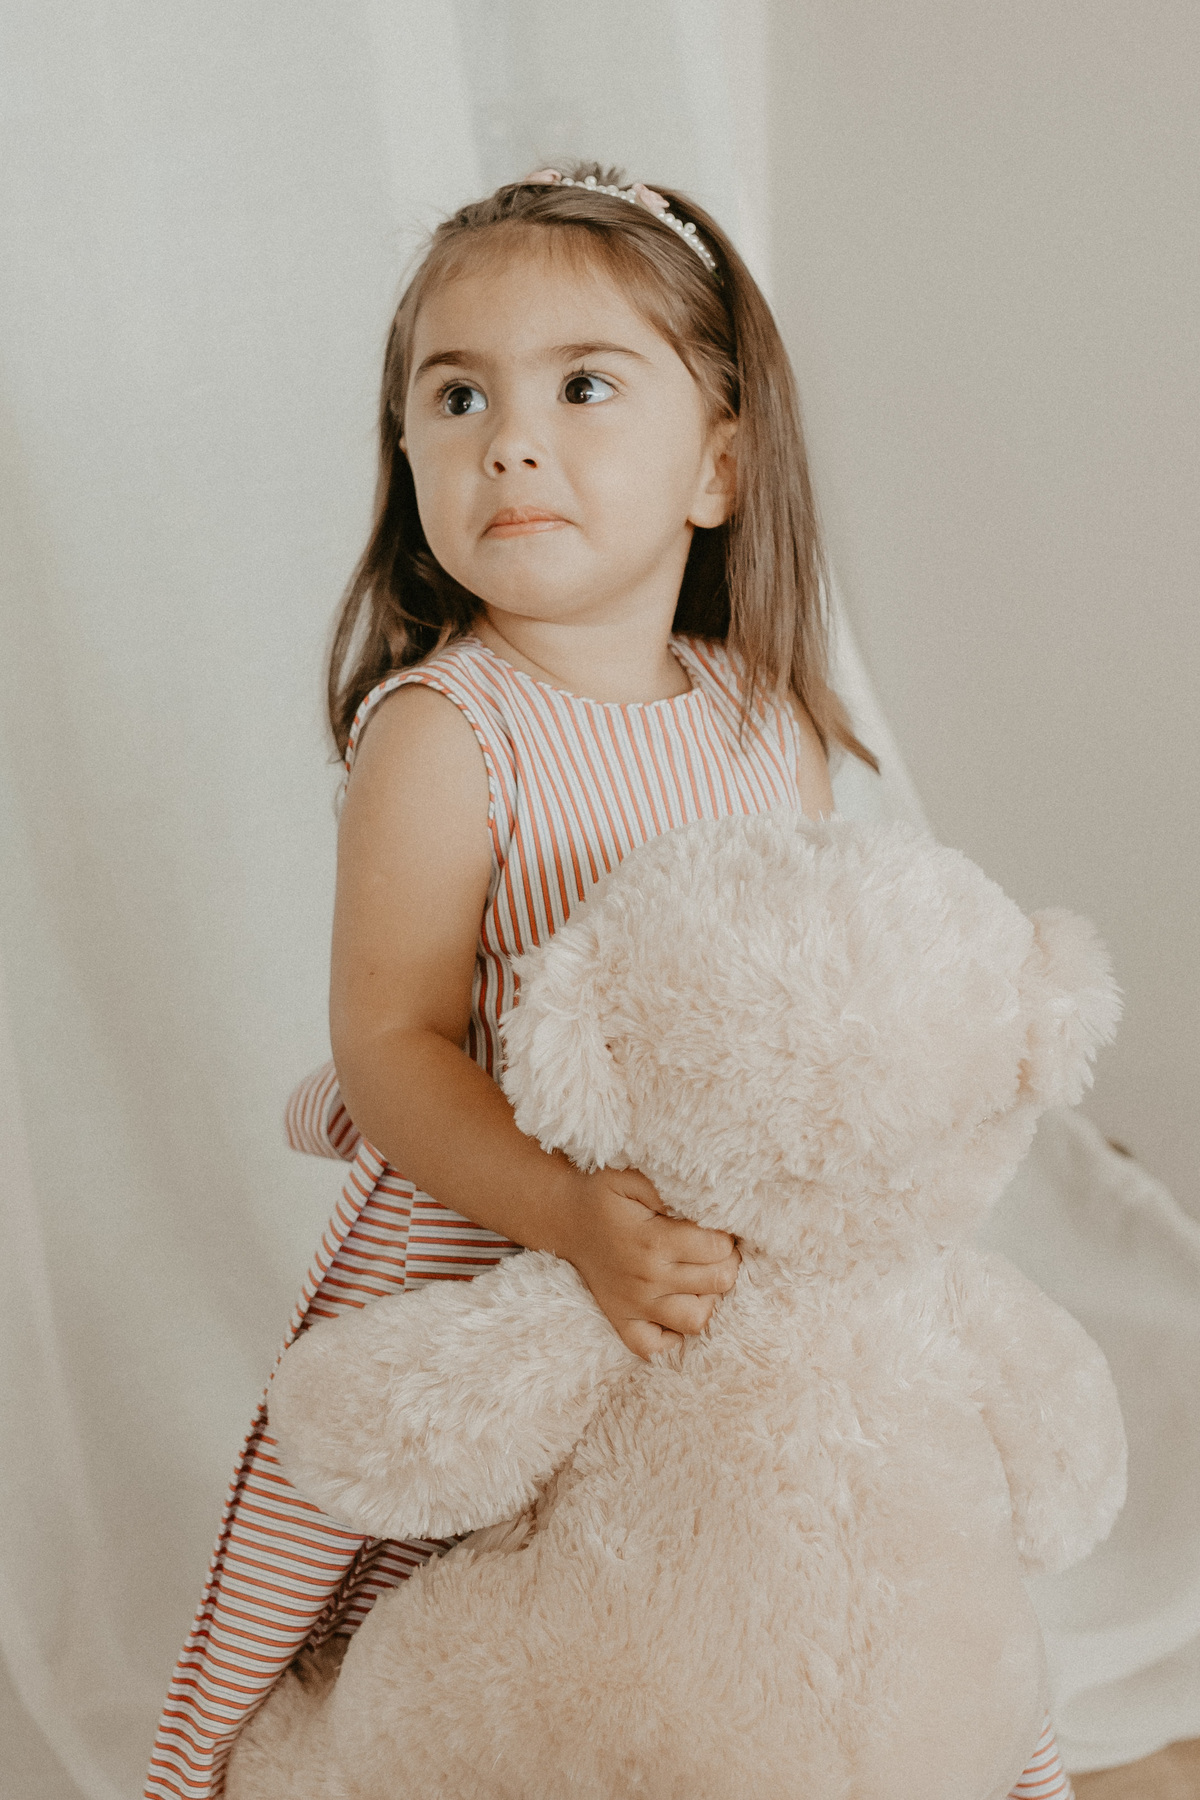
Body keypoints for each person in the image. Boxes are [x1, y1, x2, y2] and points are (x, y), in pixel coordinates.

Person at [146, 163, 1072, 1800]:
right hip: (495, 1224)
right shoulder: (449, 733)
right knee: (413, 1569)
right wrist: (568, 1217)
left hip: (729, 1253)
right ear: (408, 462)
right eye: (458, 397)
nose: (511, 439)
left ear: (718, 464)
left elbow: (802, 1016)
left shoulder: (762, 717)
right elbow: (390, 1045)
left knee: (748, 1550)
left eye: (583, 385)